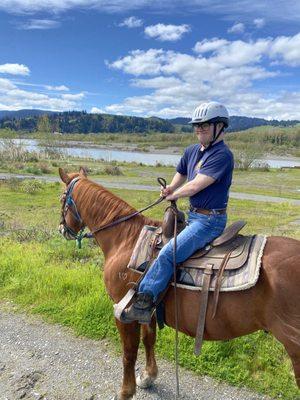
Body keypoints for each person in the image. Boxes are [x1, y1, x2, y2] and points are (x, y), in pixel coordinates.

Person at [118, 101, 234, 324]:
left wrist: (175, 195)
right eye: (196, 126)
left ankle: (144, 302)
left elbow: (198, 184)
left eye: (205, 125)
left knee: (168, 253)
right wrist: (171, 187)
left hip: (210, 221)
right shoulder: (192, 151)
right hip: (193, 216)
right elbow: (181, 173)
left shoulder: (222, 155)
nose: (199, 129)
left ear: (220, 126)